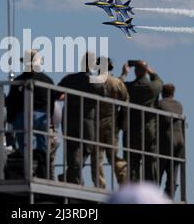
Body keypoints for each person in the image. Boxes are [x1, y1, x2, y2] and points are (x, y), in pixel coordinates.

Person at [6, 49, 55, 178]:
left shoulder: (19, 80)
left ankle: (28, 169)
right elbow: (51, 100)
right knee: (43, 146)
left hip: (24, 116)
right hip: (43, 117)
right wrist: (50, 119)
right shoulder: (47, 80)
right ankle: (44, 172)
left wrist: (10, 119)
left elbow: (11, 101)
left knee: (24, 145)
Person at [57, 52, 105, 185]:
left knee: (72, 149)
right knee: (87, 148)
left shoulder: (70, 79)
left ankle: (71, 175)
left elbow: (56, 93)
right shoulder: (96, 81)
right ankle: (72, 176)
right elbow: (103, 95)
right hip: (87, 119)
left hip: (69, 117)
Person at [120, 60, 163, 182]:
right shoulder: (154, 87)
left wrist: (124, 73)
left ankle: (133, 192)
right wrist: (149, 70)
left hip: (132, 130)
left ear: (134, 71)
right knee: (150, 162)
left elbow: (117, 86)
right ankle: (150, 192)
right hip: (150, 130)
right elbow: (160, 81)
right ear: (146, 71)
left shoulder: (129, 87)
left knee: (132, 163)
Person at [91, 57, 129, 188]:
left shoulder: (92, 83)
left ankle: (100, 186)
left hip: (95, 123)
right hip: (112, 123)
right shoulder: (117, 83)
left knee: (96, 157)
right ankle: (124, 182)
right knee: (113, 155)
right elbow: (125, 103)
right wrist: (123, 124)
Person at [157, 83, 184, 198]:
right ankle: (169, 196)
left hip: (166, 139)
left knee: (159, 169)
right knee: (173, 171)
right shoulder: (179, 105)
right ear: (173, 93)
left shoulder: (160, 104)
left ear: (162, 93)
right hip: (180, 140)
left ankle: (153, 196)